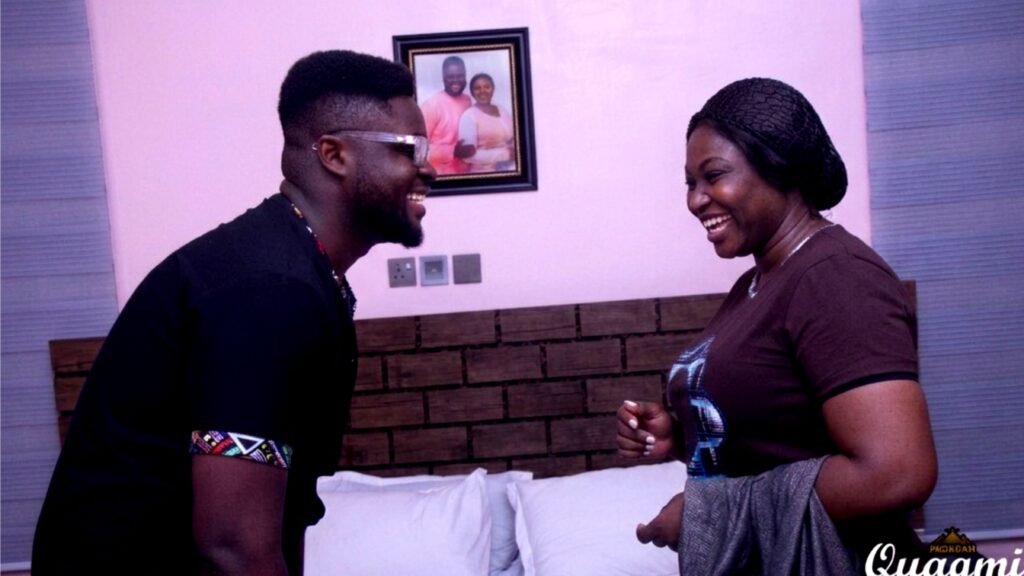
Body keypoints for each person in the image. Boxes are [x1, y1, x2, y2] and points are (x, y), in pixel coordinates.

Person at [32, 49, 435, 575]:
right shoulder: (268, 290)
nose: (428, 168)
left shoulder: (295, 269)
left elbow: (280, 511)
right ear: (334, 155)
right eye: (410, 149)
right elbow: (233, 546)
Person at [616, 78, 938, 572]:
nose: (696, 200)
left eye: (714, 175)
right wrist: (682, 438)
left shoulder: (836, 276)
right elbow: (778, 440)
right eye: (690, 183)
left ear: (780, 167)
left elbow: (897, 473)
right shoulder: (757, 282)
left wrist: (711, 516)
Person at [454, 73, 516, 173]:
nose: (482, 91)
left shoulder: (501, 110)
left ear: (493, 89)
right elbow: (467, 157)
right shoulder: (468, 116)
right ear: (472, 92)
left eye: (487, 87)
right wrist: (506, 154)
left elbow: (512, 138)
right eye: (477, 88)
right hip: (485, 173)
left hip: (511, 169)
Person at [420, 55, 472, 175]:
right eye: (450, 77)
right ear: (443, 78)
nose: (456, 80)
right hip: (441, 176)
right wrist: (453, 151)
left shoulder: (468, 101)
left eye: (460, 76)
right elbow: (420, 148)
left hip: (467, 173)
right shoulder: (431, 105)